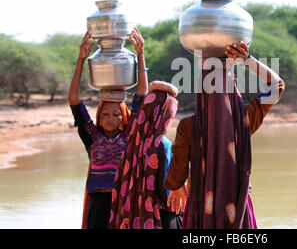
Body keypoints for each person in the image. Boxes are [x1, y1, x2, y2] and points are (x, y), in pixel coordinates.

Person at [165, 41, 285, 229]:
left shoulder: (189, 126)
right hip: (237, 205)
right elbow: (277, 85)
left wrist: (176, 185)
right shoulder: (244, 120)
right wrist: (247, 60)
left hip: (202, 207)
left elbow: (178, 165)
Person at [68, 27, 148, 229]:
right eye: (105, 114)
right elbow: (74, 100)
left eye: (115, 114)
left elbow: (142, 98)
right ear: (99, 116)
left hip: (124, 203)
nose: (110, 118)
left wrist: (140, 55)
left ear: (123, 117)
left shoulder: (129, 135)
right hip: (98, 205)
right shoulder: (92, 136)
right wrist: (81, 60)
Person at [108, 81, 182, 229]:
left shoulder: (132, 143)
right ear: (164, 116)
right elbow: (166, 191)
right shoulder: (162, 144)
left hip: (135, 217)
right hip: (161, 218)